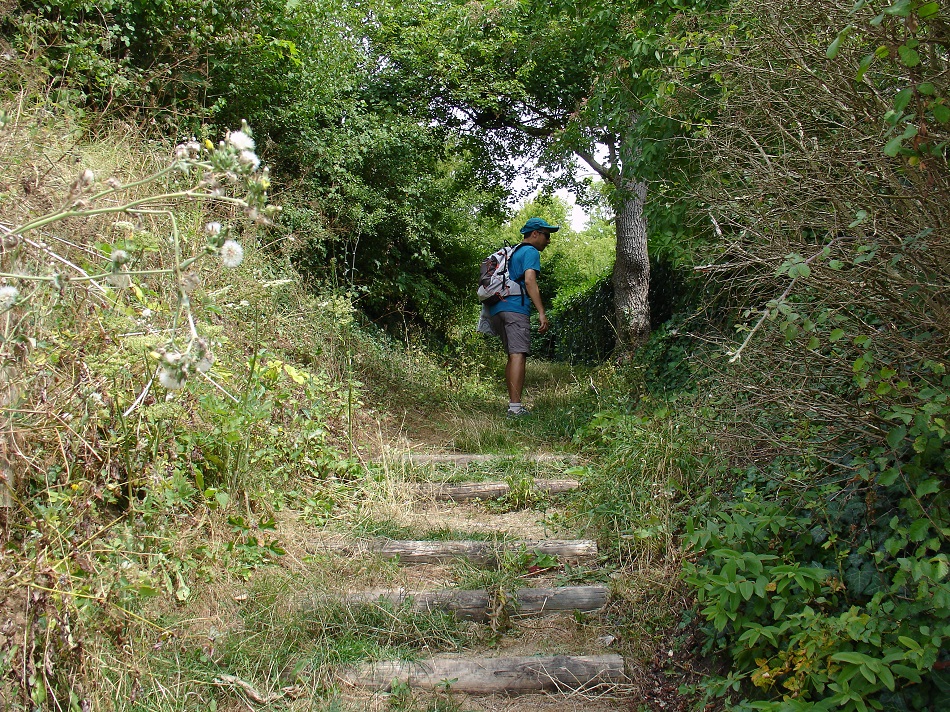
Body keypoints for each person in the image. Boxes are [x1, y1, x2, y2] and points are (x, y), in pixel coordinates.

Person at [487, 217, 558, 418]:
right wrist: (541, 312)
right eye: (547, 235)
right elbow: (529, 280)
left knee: (512, 355)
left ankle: (513, 404)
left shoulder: (513, 252)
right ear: (534, 234)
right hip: (515, 308)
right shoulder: (530, 251)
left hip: (497, 309)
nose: (549, 240)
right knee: (518, 354)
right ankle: (515, 409)